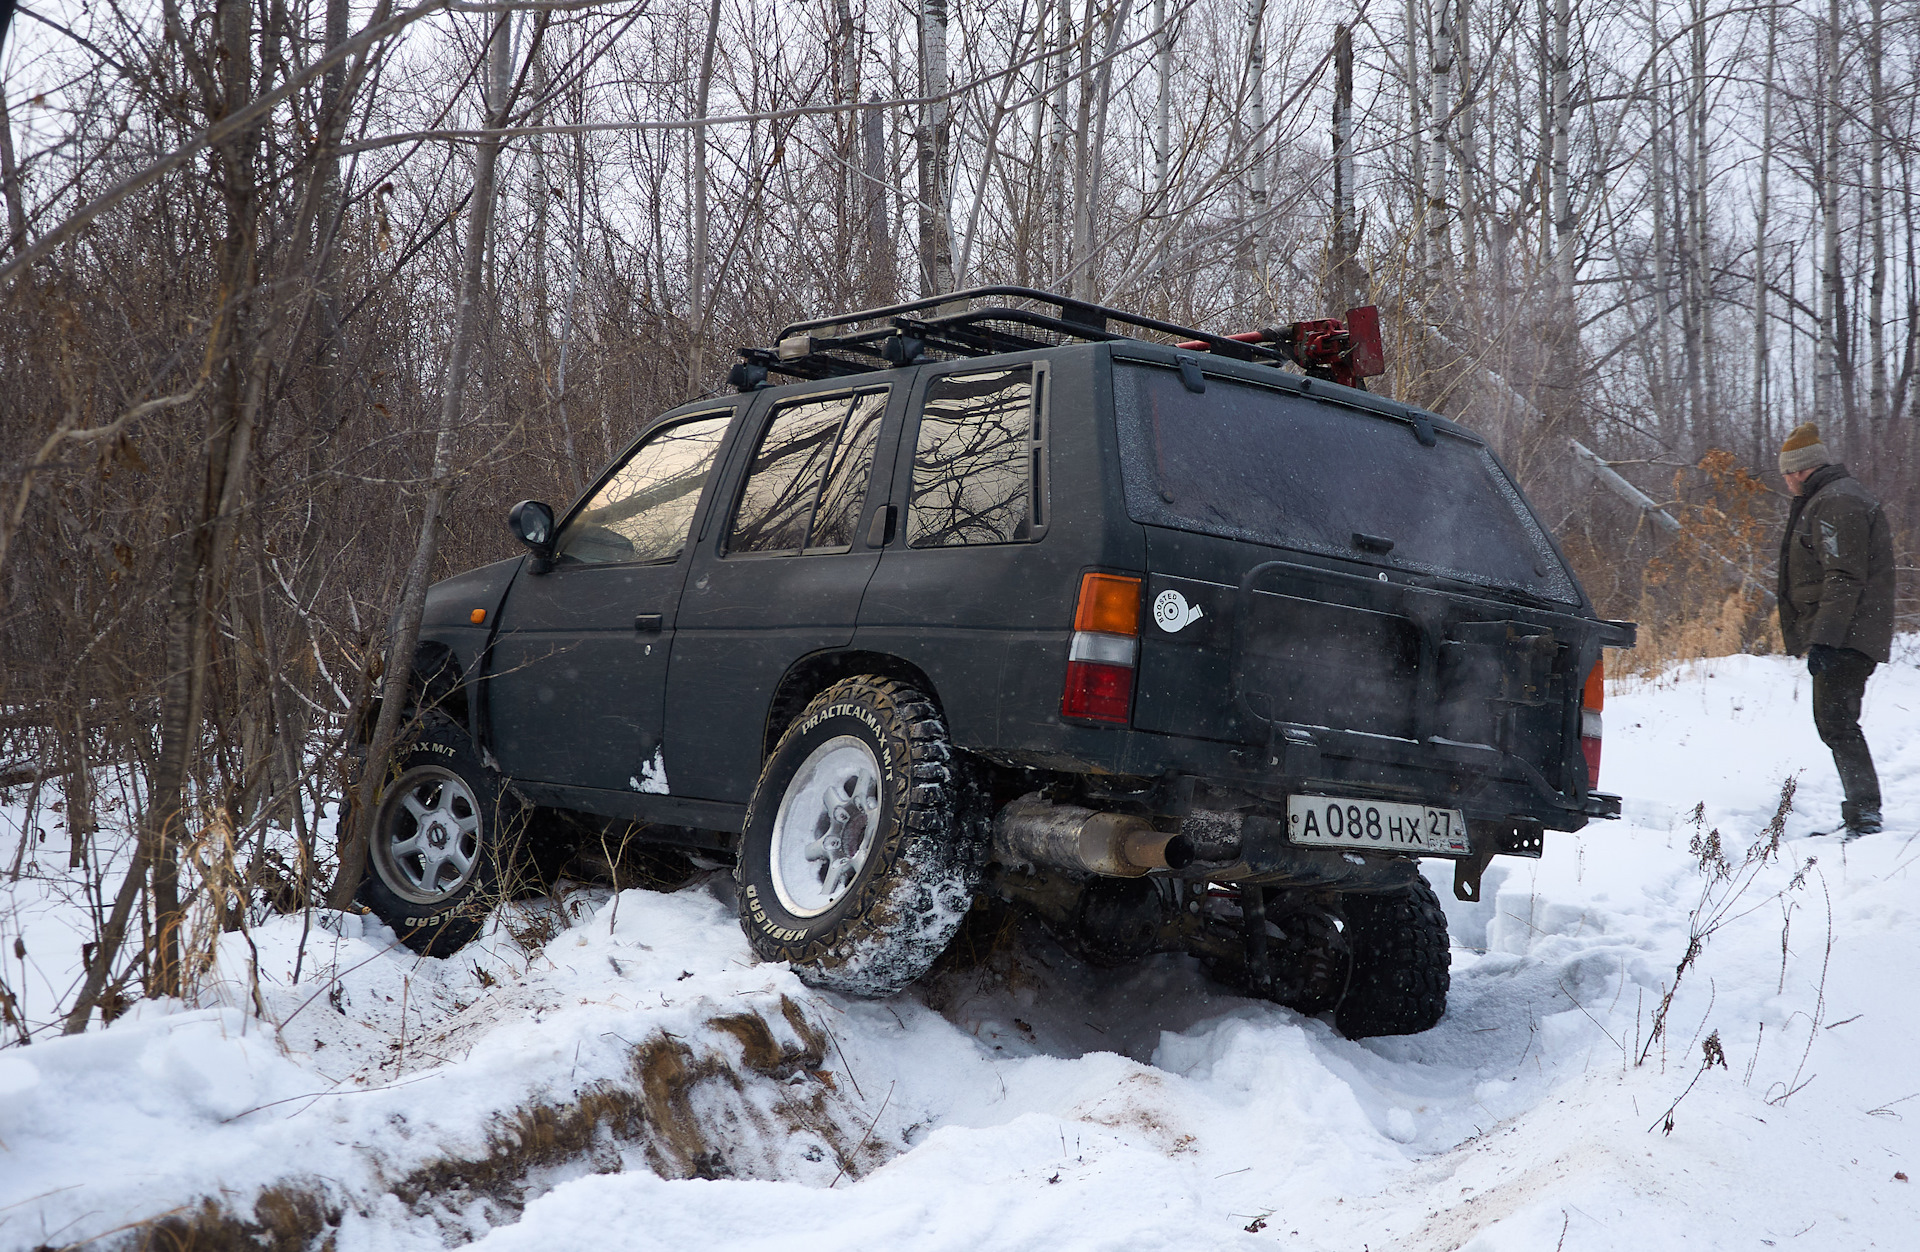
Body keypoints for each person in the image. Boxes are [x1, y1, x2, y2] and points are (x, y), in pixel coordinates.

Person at [1775, 423, 1895, 839]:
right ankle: (1861, 812)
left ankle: (1864, 815)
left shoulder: (1838, 501)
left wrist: (1824, 638)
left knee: (1837, 722)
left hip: (1847, 634)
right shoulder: (1830, 498)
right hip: (1846, 631)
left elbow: (1844, 576)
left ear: (1799, 470)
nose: (1785, 481)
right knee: (1836, 722)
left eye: (1785, 473)